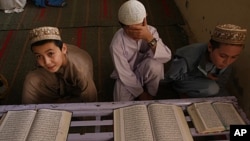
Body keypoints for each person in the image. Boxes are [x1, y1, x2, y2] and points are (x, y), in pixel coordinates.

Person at [109, 0, 172, 101]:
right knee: (120, 101)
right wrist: (141, 93)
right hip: (126, 76)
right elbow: (124, 73)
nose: (136, 33)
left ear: (145, 20)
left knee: (156, 66)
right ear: (123, 26)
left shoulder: (151, 32)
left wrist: (149, 38)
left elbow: (166, 57)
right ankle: (142, 92)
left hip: (145, 69)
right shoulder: (116, 43)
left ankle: (152, 94)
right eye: (131, 30)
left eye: (139, 28)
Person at [165, 24, 247, 98]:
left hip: (202, 81)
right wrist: (204, 75)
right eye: (223, 56)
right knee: (212, 89)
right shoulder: (187, 56)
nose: (227, 62)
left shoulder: (227, 59)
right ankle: (184, 93)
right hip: (181, 80)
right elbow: (172, 76)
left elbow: (221, 83)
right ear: (210, 47)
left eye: (234, 57)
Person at [22, 26, 97, 104]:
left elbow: (91, 103)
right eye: (39, 56)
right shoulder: (48, 63)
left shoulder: (80, 69)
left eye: (50, 53)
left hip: (76, 88)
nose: (47, 62)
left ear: (64, 49)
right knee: (31, 80)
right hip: (54, 75)